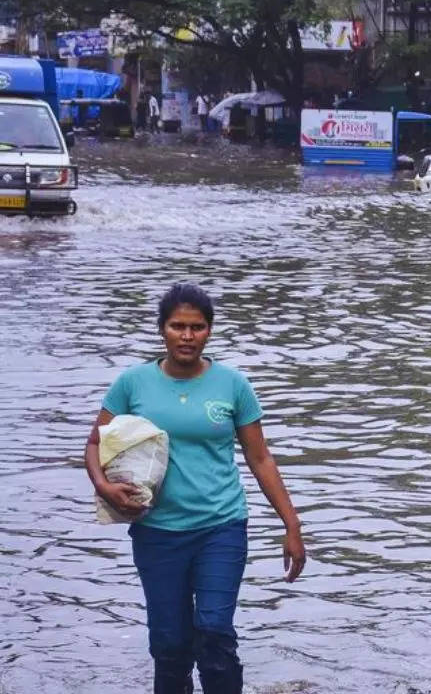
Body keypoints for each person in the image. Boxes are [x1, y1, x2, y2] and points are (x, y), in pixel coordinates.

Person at [84, 283, 306, 694]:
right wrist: (104, 487)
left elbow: (261, 459)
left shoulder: (232, 385)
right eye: (177, 326)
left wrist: (291, 525)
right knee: (169, 645)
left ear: (209, 332)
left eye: (197, 327)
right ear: (162, 330)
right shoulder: (133, 384)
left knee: (215, 632)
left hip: (220, 527)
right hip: (157, 532)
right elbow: (95, 443)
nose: (187, 336)